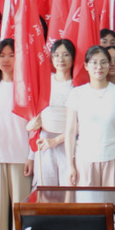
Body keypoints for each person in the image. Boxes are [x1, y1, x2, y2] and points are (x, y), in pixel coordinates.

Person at [65, 46, 115, 187]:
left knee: (112, 200)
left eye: (103, 62)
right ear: (86, 66)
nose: (99, 67)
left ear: (109, 65)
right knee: (86, 201)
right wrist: (70, 165)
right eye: (94, 62)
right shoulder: (77, 94)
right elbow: (70, 131)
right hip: (84, 160)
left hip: (112, 158)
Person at [0, 39, 32, 230]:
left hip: (21, 155)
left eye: (11, 55)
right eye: (2, 55)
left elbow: (34, 126)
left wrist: (31, 156)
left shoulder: (27, 87)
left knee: (21, 210)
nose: (6, 60)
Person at [27, 39, 75, 187]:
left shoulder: (77, 85)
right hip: (44, 142)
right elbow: (35, 121)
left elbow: (82, 123)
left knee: (69, 189)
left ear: (73, 57)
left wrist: (57, 140)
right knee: (45, 191)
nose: (61, 59)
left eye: (66, 54)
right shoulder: (44, 82)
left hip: (70, 142)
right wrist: (31, 156)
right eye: (56, 55)